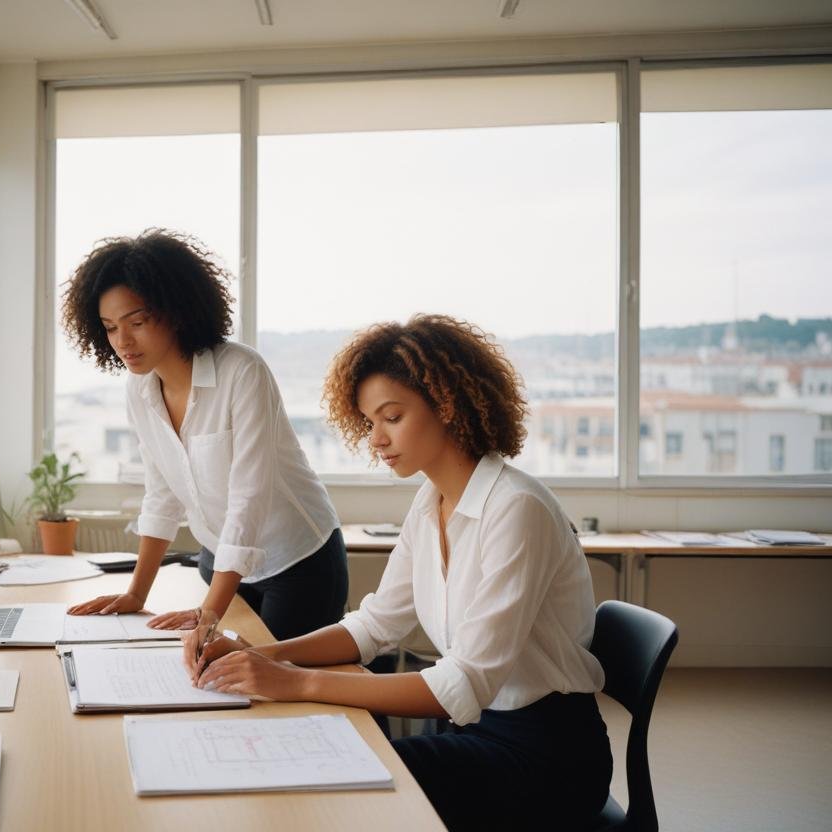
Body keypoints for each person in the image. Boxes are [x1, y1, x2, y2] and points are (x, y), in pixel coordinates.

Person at [193, 315, 611, 831]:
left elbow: (461, 683)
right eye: (369, 422)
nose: (377, 438)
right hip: (478, 731)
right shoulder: (431, 500)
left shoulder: (516, 508)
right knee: (341, 766)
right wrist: (260, 655)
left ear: (449, 404)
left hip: (549, 756)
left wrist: (296, 682)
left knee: (351, 784)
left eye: (392, 416)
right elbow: (373, 627)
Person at [60, 229, 348, 647]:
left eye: (137, 322)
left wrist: (209, 612)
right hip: (222, 564)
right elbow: (161, 492)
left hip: (297, 563)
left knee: (274, 692)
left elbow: (248, 497)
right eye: (110, 328)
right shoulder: (139, 390)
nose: (123, 341)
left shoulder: (241, 372)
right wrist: (136, 593)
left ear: (175, 311)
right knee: (215, 681)